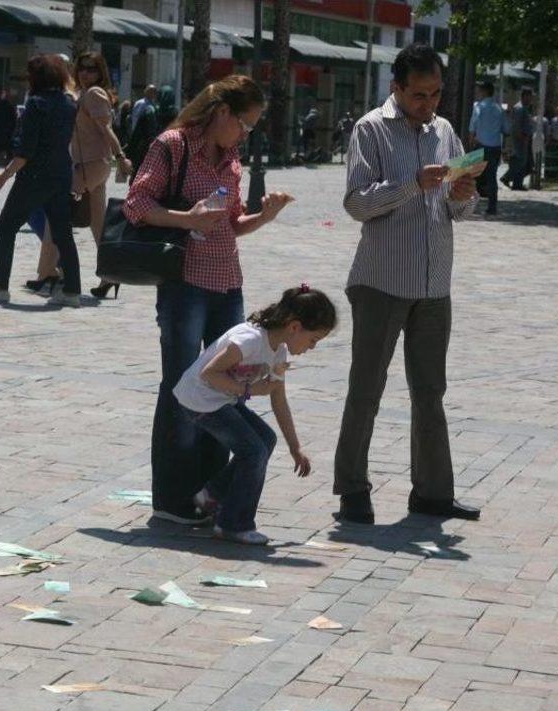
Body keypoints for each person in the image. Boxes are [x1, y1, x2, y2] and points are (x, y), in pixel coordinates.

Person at [122, 74, 294, 524]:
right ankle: (172, 498)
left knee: (225, 385)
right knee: (181, 387)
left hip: (226, 283)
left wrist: (266, 216)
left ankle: (211, 491)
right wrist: (186, 218)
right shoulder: (172, 146)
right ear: (221, 113)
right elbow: (137, 205)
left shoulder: (231, 156)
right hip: (185, 283)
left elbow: (231, 224)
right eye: (245, 124)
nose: (246, 134)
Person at [333, 43, 481, 526]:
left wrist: (463, 194)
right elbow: (356, 203)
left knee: (430, 390)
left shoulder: (444, 132)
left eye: (436, 94)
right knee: (366, 389)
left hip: (434, 283)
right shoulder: (370, 129)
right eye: (419, 95)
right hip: (382, 281)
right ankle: (352, 489)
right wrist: (412, 184)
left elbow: (455, 210)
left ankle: (434, 493)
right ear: (397, 88)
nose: (429, 105)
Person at [173, 285, 336, 544]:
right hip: (199, 400)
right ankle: (233, 524)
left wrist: (295, 447)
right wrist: (249, 389)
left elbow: (278, 399)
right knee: (254, 451)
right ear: (294, 327)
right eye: (313, 339)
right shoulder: (249, 341)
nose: (312, 347)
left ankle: (212, 495)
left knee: (265, 440)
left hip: (221, 400)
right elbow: (209, 374)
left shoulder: (279, 352)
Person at [0, 55, 81, 307]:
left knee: (6, 226)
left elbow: (27, 150)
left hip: (34, 175)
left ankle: (0, 287)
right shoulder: (68, 104)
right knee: (63, 234)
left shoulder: (36, 104)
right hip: (60, 174)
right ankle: (73, 292)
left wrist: (4, 175)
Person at [32, 52, 132, 298]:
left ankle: (47, 274)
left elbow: (106, 128)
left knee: (56, 216)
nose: (86, 72)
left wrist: (120, 157)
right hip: (92, 165)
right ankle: (110, 274)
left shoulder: (93, 94)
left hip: (87, 165)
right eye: (82, 68)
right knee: (98, 223)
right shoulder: (82, 92)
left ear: (101, 72)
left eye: (92, 69)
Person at [469, 80, 508, 215]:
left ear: (484, 91)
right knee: (492, 177)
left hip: (480, 146)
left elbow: (472, 127)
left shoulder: (478, 106)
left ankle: (469, 205)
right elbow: (506, 129)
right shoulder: (499, 109)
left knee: (472, 176)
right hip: (495, 147)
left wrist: (470, 143)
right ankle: (492, 207)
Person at [502, 87, 533, 191]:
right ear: (524, 96)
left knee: (521, 162)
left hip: (523, 137)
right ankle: (506, 177)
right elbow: (516, 125)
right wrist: (521, 137)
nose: (530, 99)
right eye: (529, 96)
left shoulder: (524, 108)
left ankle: (517, 184)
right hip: (520, 138)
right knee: (520, 161)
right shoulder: (520, 108)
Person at [0, 88, 17, 164]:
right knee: (3, 145)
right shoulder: (9, 106)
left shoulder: (0, 105)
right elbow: (14, 119)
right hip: (4, 129)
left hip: (1, 129)